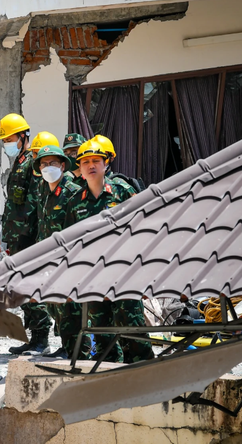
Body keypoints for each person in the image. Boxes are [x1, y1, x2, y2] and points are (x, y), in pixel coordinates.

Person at [63, 140, 154, 364]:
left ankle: (143, 371)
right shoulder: (75, 202)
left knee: (132, 326)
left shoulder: (123, 192)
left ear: (106, 164)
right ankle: (108, 373)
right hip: (93, 276)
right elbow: (71, 242)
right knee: (101, 329)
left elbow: (144, 227)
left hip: (124, 271)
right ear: (80, 167)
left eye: (96, 161)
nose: (91, 165)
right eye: (85, 162)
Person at [0, 113, 50, 354]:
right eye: (4, 139)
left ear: (23, 137)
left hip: (29, 237)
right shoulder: (18, 162)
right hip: (17, 236)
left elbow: (38, 202)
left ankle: (41, 339)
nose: (6, 143)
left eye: (10, 138)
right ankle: (33, 338)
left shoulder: (33, 162)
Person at [32, 145, 91, 360]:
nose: (48, 167)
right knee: (54, 306)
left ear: (63, 165)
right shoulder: (44, 190)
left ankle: (80, 351)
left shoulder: (72, 191)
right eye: (44, 164)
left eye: (53, 163)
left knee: (71, 308)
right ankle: (67, 345)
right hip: (48, 258)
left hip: (68, 259)